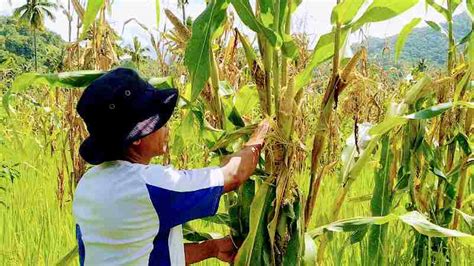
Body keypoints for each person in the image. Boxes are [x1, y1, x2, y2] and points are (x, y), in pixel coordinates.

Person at [72, 68, 269, 265]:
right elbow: (234, 174)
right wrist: (260, 137)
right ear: (137, 137)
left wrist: (212, 248)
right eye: (160, 122)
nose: (167, 128)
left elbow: (145, 254)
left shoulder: (88, 185)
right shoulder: (148, 186)